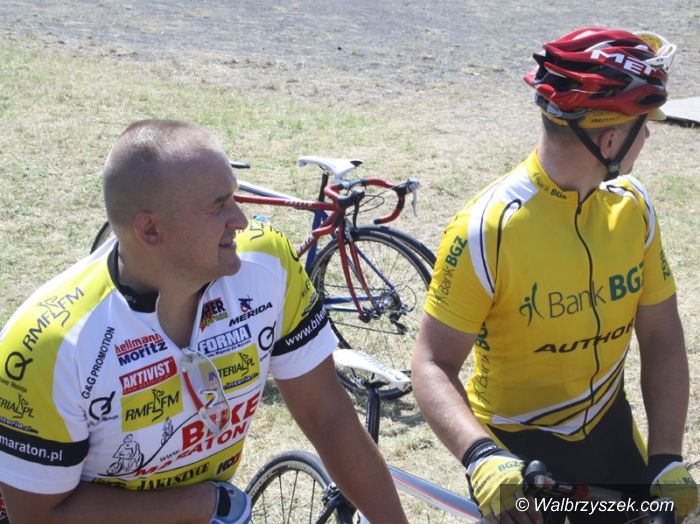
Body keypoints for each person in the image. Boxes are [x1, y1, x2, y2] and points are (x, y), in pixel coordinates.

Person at [0, 119, 409, 523]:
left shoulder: (267, 264)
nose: (240, 220)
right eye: (218, 206)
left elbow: (328, 416)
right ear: (151, 229)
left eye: (235, 197)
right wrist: (199, 505)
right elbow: (37, 516)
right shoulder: (48, 347)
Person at [412, 27, 698, 523]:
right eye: (645, 123)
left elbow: (661, 336)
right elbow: (432, 363)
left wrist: (666, 457)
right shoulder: (486, 229)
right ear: (610, 138)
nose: (649, 135)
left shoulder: (634, 206)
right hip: (517, 453)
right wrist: (480, 455)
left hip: (608, 431)